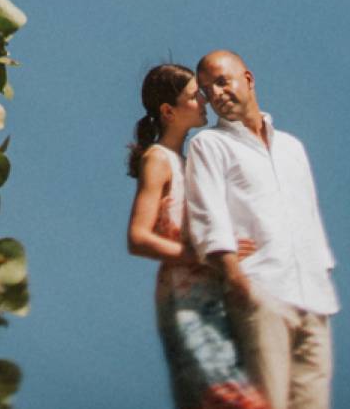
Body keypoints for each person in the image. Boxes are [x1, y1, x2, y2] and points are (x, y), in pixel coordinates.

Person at [182, 50, 338, 409]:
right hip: (260, 293)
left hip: (314, 301)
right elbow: (209, 214)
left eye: (222, 81)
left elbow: (309, 217)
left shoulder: (292, 147)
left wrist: (321, 271)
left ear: (248, 80)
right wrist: (236, 278)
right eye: (207, 90)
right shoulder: (209, 144)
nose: (216, 93)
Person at [126, 63, 269, 409]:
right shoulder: (158, 160)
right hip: (185, 298)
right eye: (194, 96)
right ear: (168, 111)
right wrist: (201, 256)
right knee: (234, 400)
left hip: (213, 296)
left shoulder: (190, 163)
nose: (205, 101)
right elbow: (138, 237)